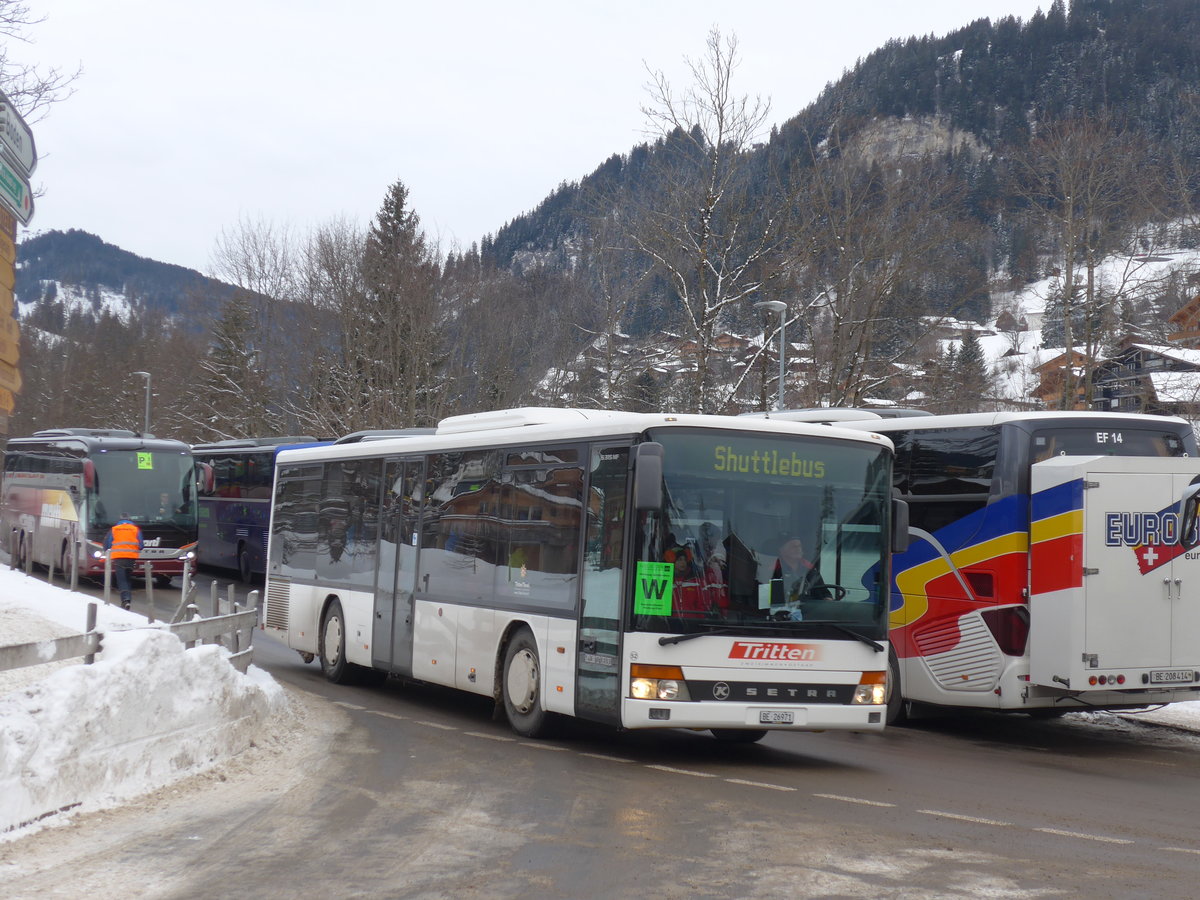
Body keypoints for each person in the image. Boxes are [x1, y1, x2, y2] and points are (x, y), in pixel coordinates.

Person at [769, 535, 830, 607]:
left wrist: (828, 599)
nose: (798, 549)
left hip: (810, 613)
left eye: (799, 546)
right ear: (781, 550)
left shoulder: (810, 570)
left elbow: (824, 592)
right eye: (793, 547)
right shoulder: (773, 571)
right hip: (783, 613)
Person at [105, 515, 143, 610]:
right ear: (130, 520)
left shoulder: (114, 529)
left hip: (118, 558)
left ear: (120, 520)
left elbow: (107, 544)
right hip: (131, 558)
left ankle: (125, 600)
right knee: (127, 578)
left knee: (122, 580)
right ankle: (128, 599)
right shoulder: (135, 529)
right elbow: (141, 545)